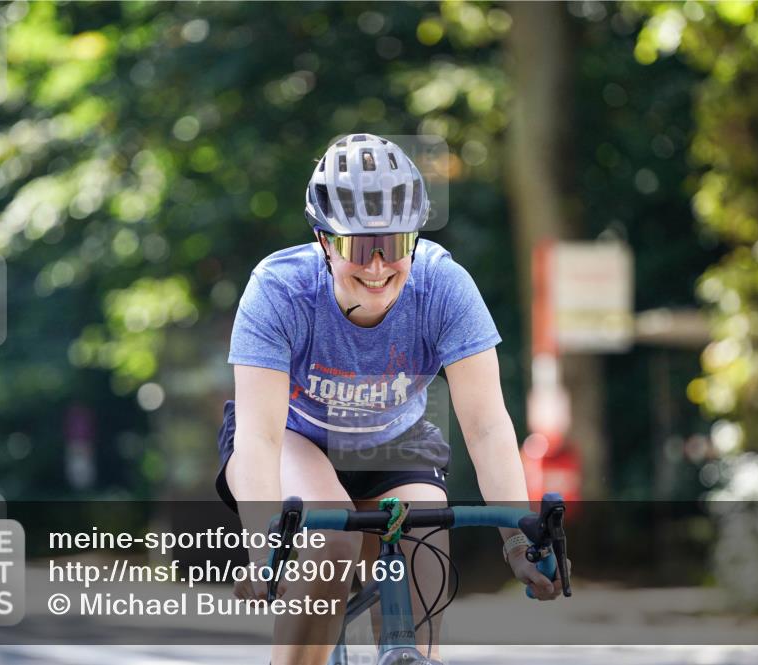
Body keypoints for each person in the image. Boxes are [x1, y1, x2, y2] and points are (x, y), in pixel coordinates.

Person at [215, 133, 565, 665]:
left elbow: (488, 426)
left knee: (426, 557)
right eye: (359, 246)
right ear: (325, 241)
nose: (378, 266)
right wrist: (266, 549)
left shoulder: (444, 287)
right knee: (331, 546)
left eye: (395, 243)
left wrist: (518, 541)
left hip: (393, 443)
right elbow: (260, 437)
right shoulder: (279, 289)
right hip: (293, 436)